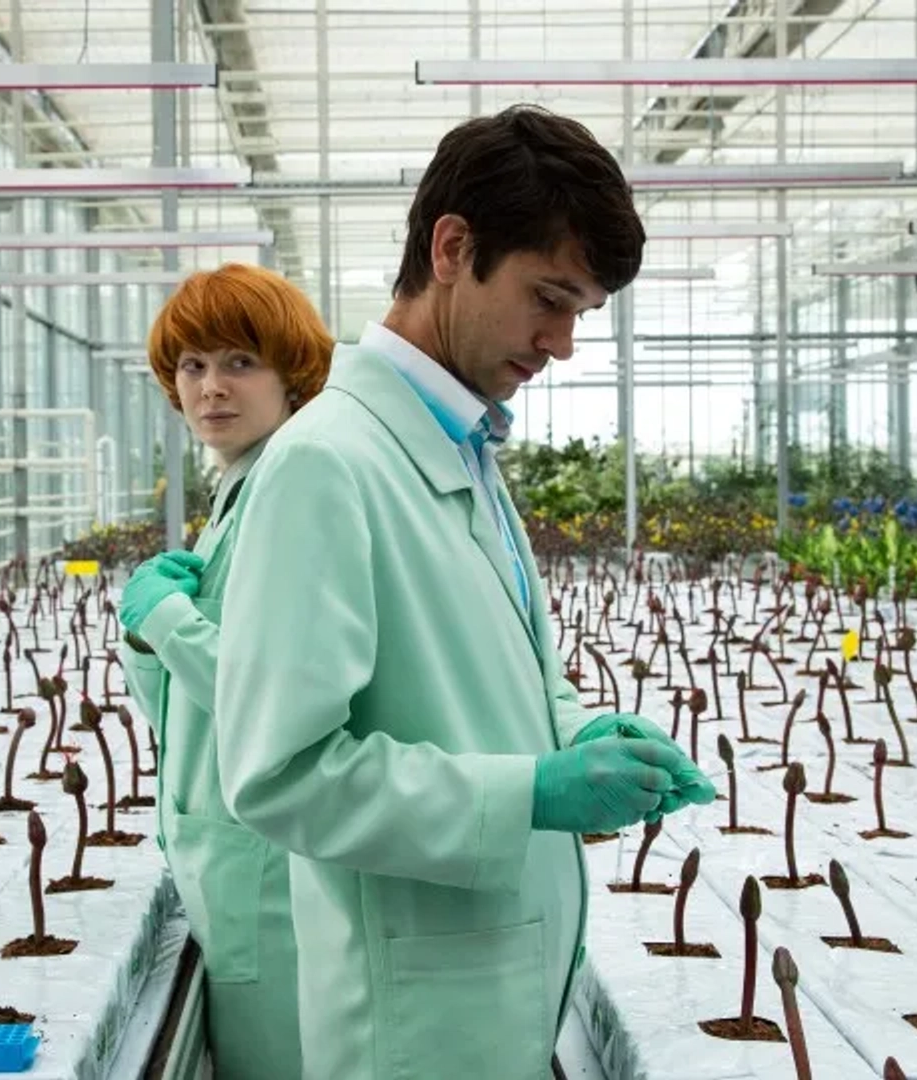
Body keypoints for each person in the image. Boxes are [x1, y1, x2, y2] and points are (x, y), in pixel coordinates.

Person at [211, 105, 717, 1079]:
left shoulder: (462, 443)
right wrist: (530, 790)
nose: (562, 342)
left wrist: (572, 733)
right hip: (409, 1026)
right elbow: (278, 776)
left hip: (488, 988)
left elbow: (481, 677)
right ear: (453, 247)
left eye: (581, 314)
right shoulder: (329, 463)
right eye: (549, 298)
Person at [114, 262, 333, 1080]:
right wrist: (148, 643)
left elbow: (268, 693)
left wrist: (168, 623)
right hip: (232, 866)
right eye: (193, 365)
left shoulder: (289, 489)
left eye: (241, 362)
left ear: (293, 376)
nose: (211, 387)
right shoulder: (240, 489)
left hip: (270, 879)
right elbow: (191, 702)